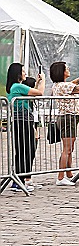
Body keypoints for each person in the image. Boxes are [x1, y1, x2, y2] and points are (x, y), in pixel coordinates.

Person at [50, 62, 79, 186]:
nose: (68, 70)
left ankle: (69, 174)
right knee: (67, 149)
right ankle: (60, 177)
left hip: (67, 117)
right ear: (61, 72)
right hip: (68, 117)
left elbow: (73, 84)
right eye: (66, 69)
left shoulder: (59, 85)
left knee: (70, 148)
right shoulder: (64, 86)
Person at [6, 63, 44, 191]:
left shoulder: (17, 87)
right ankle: (19, 180)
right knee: (24, 150)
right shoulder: (17, 86)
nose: (25, 73)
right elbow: (39, 93)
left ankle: (22, 180)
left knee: (27, 150)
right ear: (17, 73)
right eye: (23, 71)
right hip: (21, 122)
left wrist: (37, 81)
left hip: (24, 121)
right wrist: (43, 80)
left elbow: (32, 95)